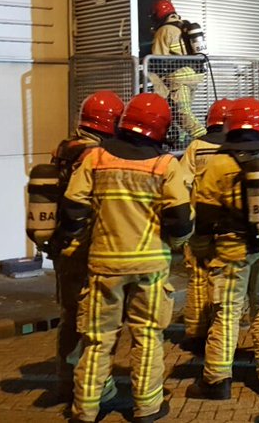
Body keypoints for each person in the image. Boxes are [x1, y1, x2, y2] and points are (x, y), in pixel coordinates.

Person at [58, 93, 193, 423]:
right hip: (150, 267)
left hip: (104, 265)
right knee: (147, 336)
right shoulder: (164, 166)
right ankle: (147, 407)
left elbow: (73, 210)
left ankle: (85, 409)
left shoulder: (97, 160)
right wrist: (176, 243)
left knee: (97, 341)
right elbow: (180, 221)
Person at [187, 98, 259, 400]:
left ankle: (217, 380)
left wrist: (202, 250)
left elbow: (204, 216)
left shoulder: (218, 163)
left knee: (226, 313)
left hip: (230, 250)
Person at [28, 91, 125, 402]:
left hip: (61, 245)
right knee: (96, 318)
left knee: (70, 314)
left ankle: (66, 382)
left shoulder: (65, 148)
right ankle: (94, 383)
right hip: (87, 246)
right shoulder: (97, 156)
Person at [180, 98, 233, 352]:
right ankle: (220, 329)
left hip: (199, 222)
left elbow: (182, 182)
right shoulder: (237, 148)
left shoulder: (196, 147)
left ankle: (196, 331)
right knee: (223, 280)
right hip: (229, 224)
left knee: (198, 276)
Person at [150, 0, 206, 141]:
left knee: (182, 113)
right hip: (193, 76)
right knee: (176, 113)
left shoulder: (164, 30)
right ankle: (180, 143)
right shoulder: (184, 26)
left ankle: (205, 140)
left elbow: (156, 58)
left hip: (178, 78)